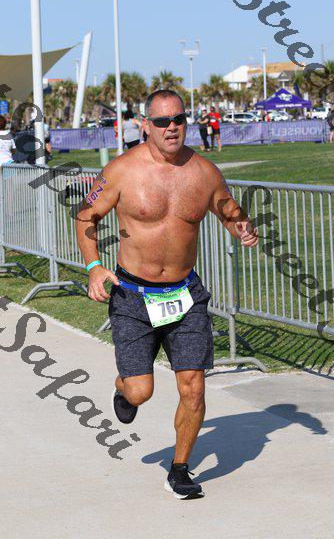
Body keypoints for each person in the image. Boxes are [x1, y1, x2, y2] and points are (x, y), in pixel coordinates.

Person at [75, 89, 258, 500]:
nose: (172, 127)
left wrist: (242, 228)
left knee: (193, 386)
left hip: (184, 294)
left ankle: (179, 469)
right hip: (133, 295)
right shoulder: (121, 171)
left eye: (179, 119)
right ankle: (124, 387)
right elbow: (86, 215)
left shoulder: (204, 172)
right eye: (162, 121)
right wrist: (94, 266)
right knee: (141, 390)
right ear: (146, 126)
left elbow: (229, 211)